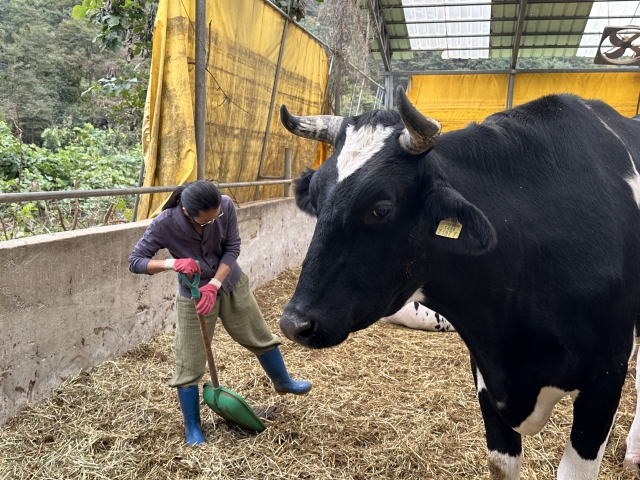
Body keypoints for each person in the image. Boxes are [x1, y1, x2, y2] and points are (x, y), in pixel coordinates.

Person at [128, 180, 311, 445]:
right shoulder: (164, 223)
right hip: (194, 296)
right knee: (189, 362)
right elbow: (135, 262)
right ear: (187, 212)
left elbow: (232, 247)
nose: (212, 223)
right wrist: (172, 263)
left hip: (231, 283)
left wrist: (214, 285)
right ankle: (193, 426)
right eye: (205, 222)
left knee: (258, 335)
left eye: (216, 218)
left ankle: (283, 382)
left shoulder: (224, 206)